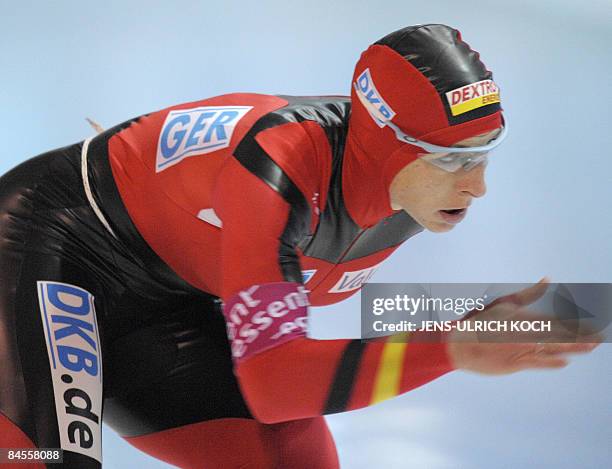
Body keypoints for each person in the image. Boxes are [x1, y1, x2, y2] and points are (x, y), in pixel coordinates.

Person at [0, 24, 599, 469]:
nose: (478, 185)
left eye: (483, 153)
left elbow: (382, 318)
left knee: (293, 461)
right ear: (385, 142)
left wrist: (510, 323)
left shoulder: (414, 193)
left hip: (171, 297)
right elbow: (276, 381)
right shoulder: (276, 168)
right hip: (52, 242)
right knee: (49, 463)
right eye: (452, 159)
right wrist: (454, 347)